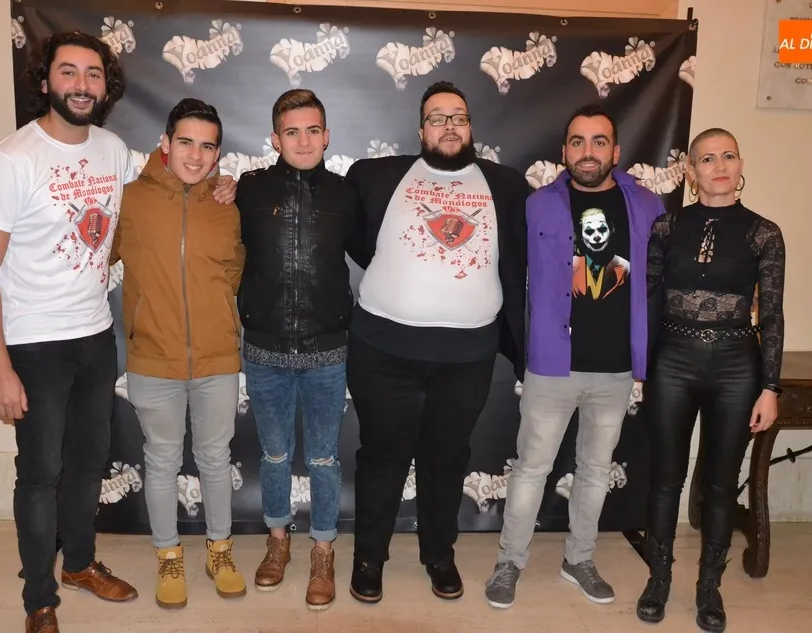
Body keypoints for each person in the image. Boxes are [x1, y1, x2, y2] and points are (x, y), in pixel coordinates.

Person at [0, 32, 235, 633]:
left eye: (93, 74)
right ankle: (40, 599)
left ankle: (80, 564)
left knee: (88, 465)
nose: (81, 84)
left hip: (96, 335)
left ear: (105, 87)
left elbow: (168, 191)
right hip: (34, 342)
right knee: (41, 474)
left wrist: (223, 185)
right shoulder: (13, 159)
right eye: (69, 72)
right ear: (45, 81)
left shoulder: (113, 151)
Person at [344, 81, 528, 604]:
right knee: (382, 458)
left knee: (446, 460)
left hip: (467, 357)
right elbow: (353, 236)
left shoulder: (506, 185)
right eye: (437, 117)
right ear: (421, 129)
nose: (449, 126)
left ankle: (439, 556)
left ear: (471, 126)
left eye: (459, 117)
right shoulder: (375, 177)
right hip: (383, 351)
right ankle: (368, 559)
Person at [484, 104, 665, 609]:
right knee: (530, 468)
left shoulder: (648, 205)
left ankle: (579, 559)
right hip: (551, 364)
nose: (588, 151)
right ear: (564, 151)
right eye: (578, 142)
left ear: (616, 151)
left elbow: (660, 282)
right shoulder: (537, 205)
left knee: (595, 469)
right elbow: (509, 275)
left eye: (599, 141)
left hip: (616, 368)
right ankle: (509, 562)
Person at [636, 128, 784, 633]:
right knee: (665, 478)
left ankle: (708, 588)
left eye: (728, 156)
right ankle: (658, 580)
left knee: (720, 485)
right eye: (707, 158)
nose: (719, 166)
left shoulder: (764, 233)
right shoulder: (666, 226)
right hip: (673, 360)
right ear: (691, 171)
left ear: (740, 165)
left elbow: (773, 315)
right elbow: (645, 299)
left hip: (737, 366)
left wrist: (770, 386)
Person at [108, 98, 247, 609]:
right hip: (153, 357)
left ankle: (220, 551)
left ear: (217, 153)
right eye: (185, 142)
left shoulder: (227, 205)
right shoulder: (129, 200)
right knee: (162, 460)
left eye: (207, 146)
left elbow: (233, 272)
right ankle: (168, 555)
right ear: (165, 143)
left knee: (215, 458)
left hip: (217, 359)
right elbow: (92, 259)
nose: (195, 155)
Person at [234, 89, 357, 611]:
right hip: (264, 350)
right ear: (275, 138)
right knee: (274, 454)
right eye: (291, 132)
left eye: (312, 131)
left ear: (326, 137)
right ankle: (278, 540)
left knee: (325, 456)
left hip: (327, 350)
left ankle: (323, 549)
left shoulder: (346, 194)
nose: (303, 141)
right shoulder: (248, 189)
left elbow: (376, 250)